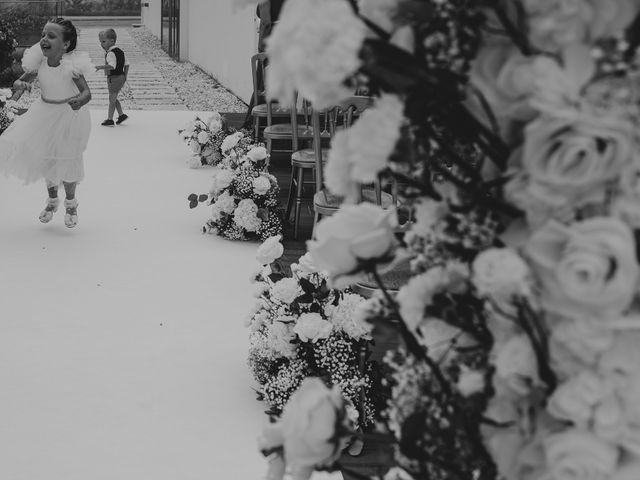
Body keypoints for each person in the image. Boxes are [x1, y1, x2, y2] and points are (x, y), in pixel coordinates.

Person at [0, 18, 93, 228]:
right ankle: (52, 201)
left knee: (68, 158)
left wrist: (80, 100)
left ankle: (71, 203)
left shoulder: (71, 67)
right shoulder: (39, 63)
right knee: (47, 159)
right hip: (44, 113)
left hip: (68, 115)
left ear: (66, 44)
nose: (44, 39)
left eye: (51, 36)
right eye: (43, 35)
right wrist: (21, 83)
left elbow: (86, 92)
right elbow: (18, 81)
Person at [96, 28, 128, 126]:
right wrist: (125, 76)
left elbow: (112, 66)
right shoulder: (121, 51)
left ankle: (110, 119)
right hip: (121, 77)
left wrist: (99, 67)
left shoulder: (110, 53)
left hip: (114, 78)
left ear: (112, 41)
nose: (102, 44)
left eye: (104, 41)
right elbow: (127, 64)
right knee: (114, 97)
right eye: (101, 42)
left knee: (112, 98)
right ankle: (121, 115)